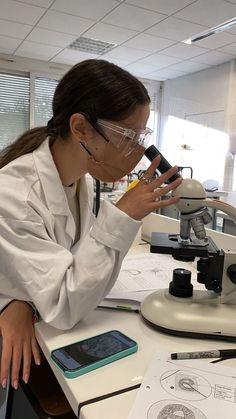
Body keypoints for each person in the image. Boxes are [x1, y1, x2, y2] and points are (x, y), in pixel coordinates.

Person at [0, 59, 182, 391]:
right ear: (81, 128)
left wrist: (21, 299)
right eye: (128, 136)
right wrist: (123, 215)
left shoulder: (78, 181)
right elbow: (62, 306)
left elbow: (65, 261)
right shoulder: (14, 194)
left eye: (142, 135)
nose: (139, 151)